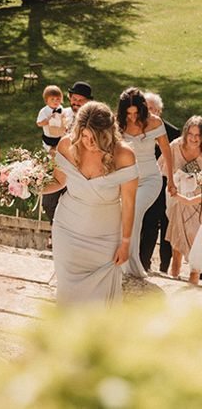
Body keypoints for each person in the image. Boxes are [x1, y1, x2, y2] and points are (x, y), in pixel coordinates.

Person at [42, 102, 138, 305]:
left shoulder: (125, 155)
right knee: (68, 293)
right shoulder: (67, 145)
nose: (88, 142)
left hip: (105, 238)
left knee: (100, 299)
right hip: (67, 231)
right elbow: (59, 182)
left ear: (108, 134)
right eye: (84, 136)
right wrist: (28, 186)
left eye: (94, 137)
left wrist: (126, 242)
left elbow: (129, 203)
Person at [116, 87, 172, 278]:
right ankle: (128, 261)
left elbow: (167, 151)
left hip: (150, 179)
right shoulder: (118, 124)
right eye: (128, 113)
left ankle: (128, 265)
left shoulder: (154, 122)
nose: (132, 117)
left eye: (135, 113)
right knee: (125, 216)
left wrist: (170, 180)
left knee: (134, 212)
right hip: (126, 179)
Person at [139, 91, 181, 274]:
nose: (151, 112)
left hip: (166, 186)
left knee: (166, 227)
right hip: (146, 184)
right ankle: (143, 264)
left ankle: (164, 267)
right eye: (147, 108)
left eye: (154, 109)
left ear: (160, 111)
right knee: (148, 225)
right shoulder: (138, 129)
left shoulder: (172, 132)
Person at [41, 80, 92, 226]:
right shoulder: (61, 113)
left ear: (88, 101)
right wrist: (49, 150)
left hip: (80, 169)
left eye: (80, 100)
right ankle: (56, 229)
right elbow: (49, 135)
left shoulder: (92, 119)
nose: (76, 102)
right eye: (74, 99)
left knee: (73, 207)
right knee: (48, 202)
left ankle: (64, 234)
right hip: (58, 164)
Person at [162, 116, 202, 283]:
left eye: (198, 135)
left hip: (197, 200)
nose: (194, 138)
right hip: (175, 195)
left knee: (195, 237)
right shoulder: (175, 146)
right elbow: (164, 168)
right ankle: (174, 272)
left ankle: (194, 276)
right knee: (177, 235)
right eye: (191, 134)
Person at [36, 84, 71, 152]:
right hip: (49, 137)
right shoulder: (44, 111)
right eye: (52, 99)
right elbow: (39, 123)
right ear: (46, 101)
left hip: (59, 136)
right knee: (50, 152)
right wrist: (48, 120)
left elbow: (63, 118)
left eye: (58, 99)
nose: (55, 101)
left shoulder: (60, 108)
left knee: (61, 151)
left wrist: (65, 126)